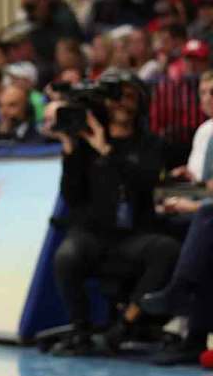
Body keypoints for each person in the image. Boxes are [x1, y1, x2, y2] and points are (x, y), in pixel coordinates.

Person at [47, 70, 179, 356]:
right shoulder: (84, 143)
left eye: (128, 97)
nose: (120, 103)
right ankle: (80, 329)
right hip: (93, 235)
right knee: (67, 254)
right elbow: (72, 197)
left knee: (166, 249)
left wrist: (107, 151)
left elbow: (144, 183)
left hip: (132, 236)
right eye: (114, 97)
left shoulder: (152, 144)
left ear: (141, 103)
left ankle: (124, 326)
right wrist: (70, 150)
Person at [146, 70, 213, 364]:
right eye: (203, 93)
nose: (207, 99)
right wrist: (180, 186)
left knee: (205, 218)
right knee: (154, 200)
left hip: (207, 211)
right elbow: (201, 184)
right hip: (204, 208)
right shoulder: (204, 131)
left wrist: (193, 202)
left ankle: (178, 293)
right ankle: (189, 334)